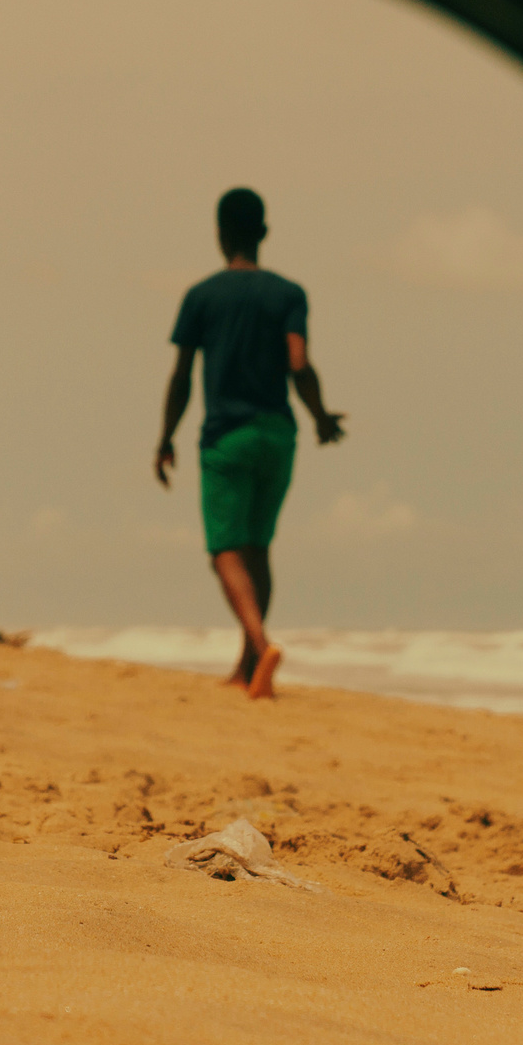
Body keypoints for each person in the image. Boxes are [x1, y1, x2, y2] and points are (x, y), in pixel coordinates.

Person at [156, 187, 345, 699]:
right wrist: (321, 416)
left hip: (227, 436)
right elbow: (298, 362)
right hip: (278, 435)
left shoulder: (201, 297)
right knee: (258, 549)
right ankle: (248, 670)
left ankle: (259, 645)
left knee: (225, 551)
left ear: (220, 234)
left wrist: (166, 436)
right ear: (263, 233)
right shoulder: (288, 294)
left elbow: (182, 377)